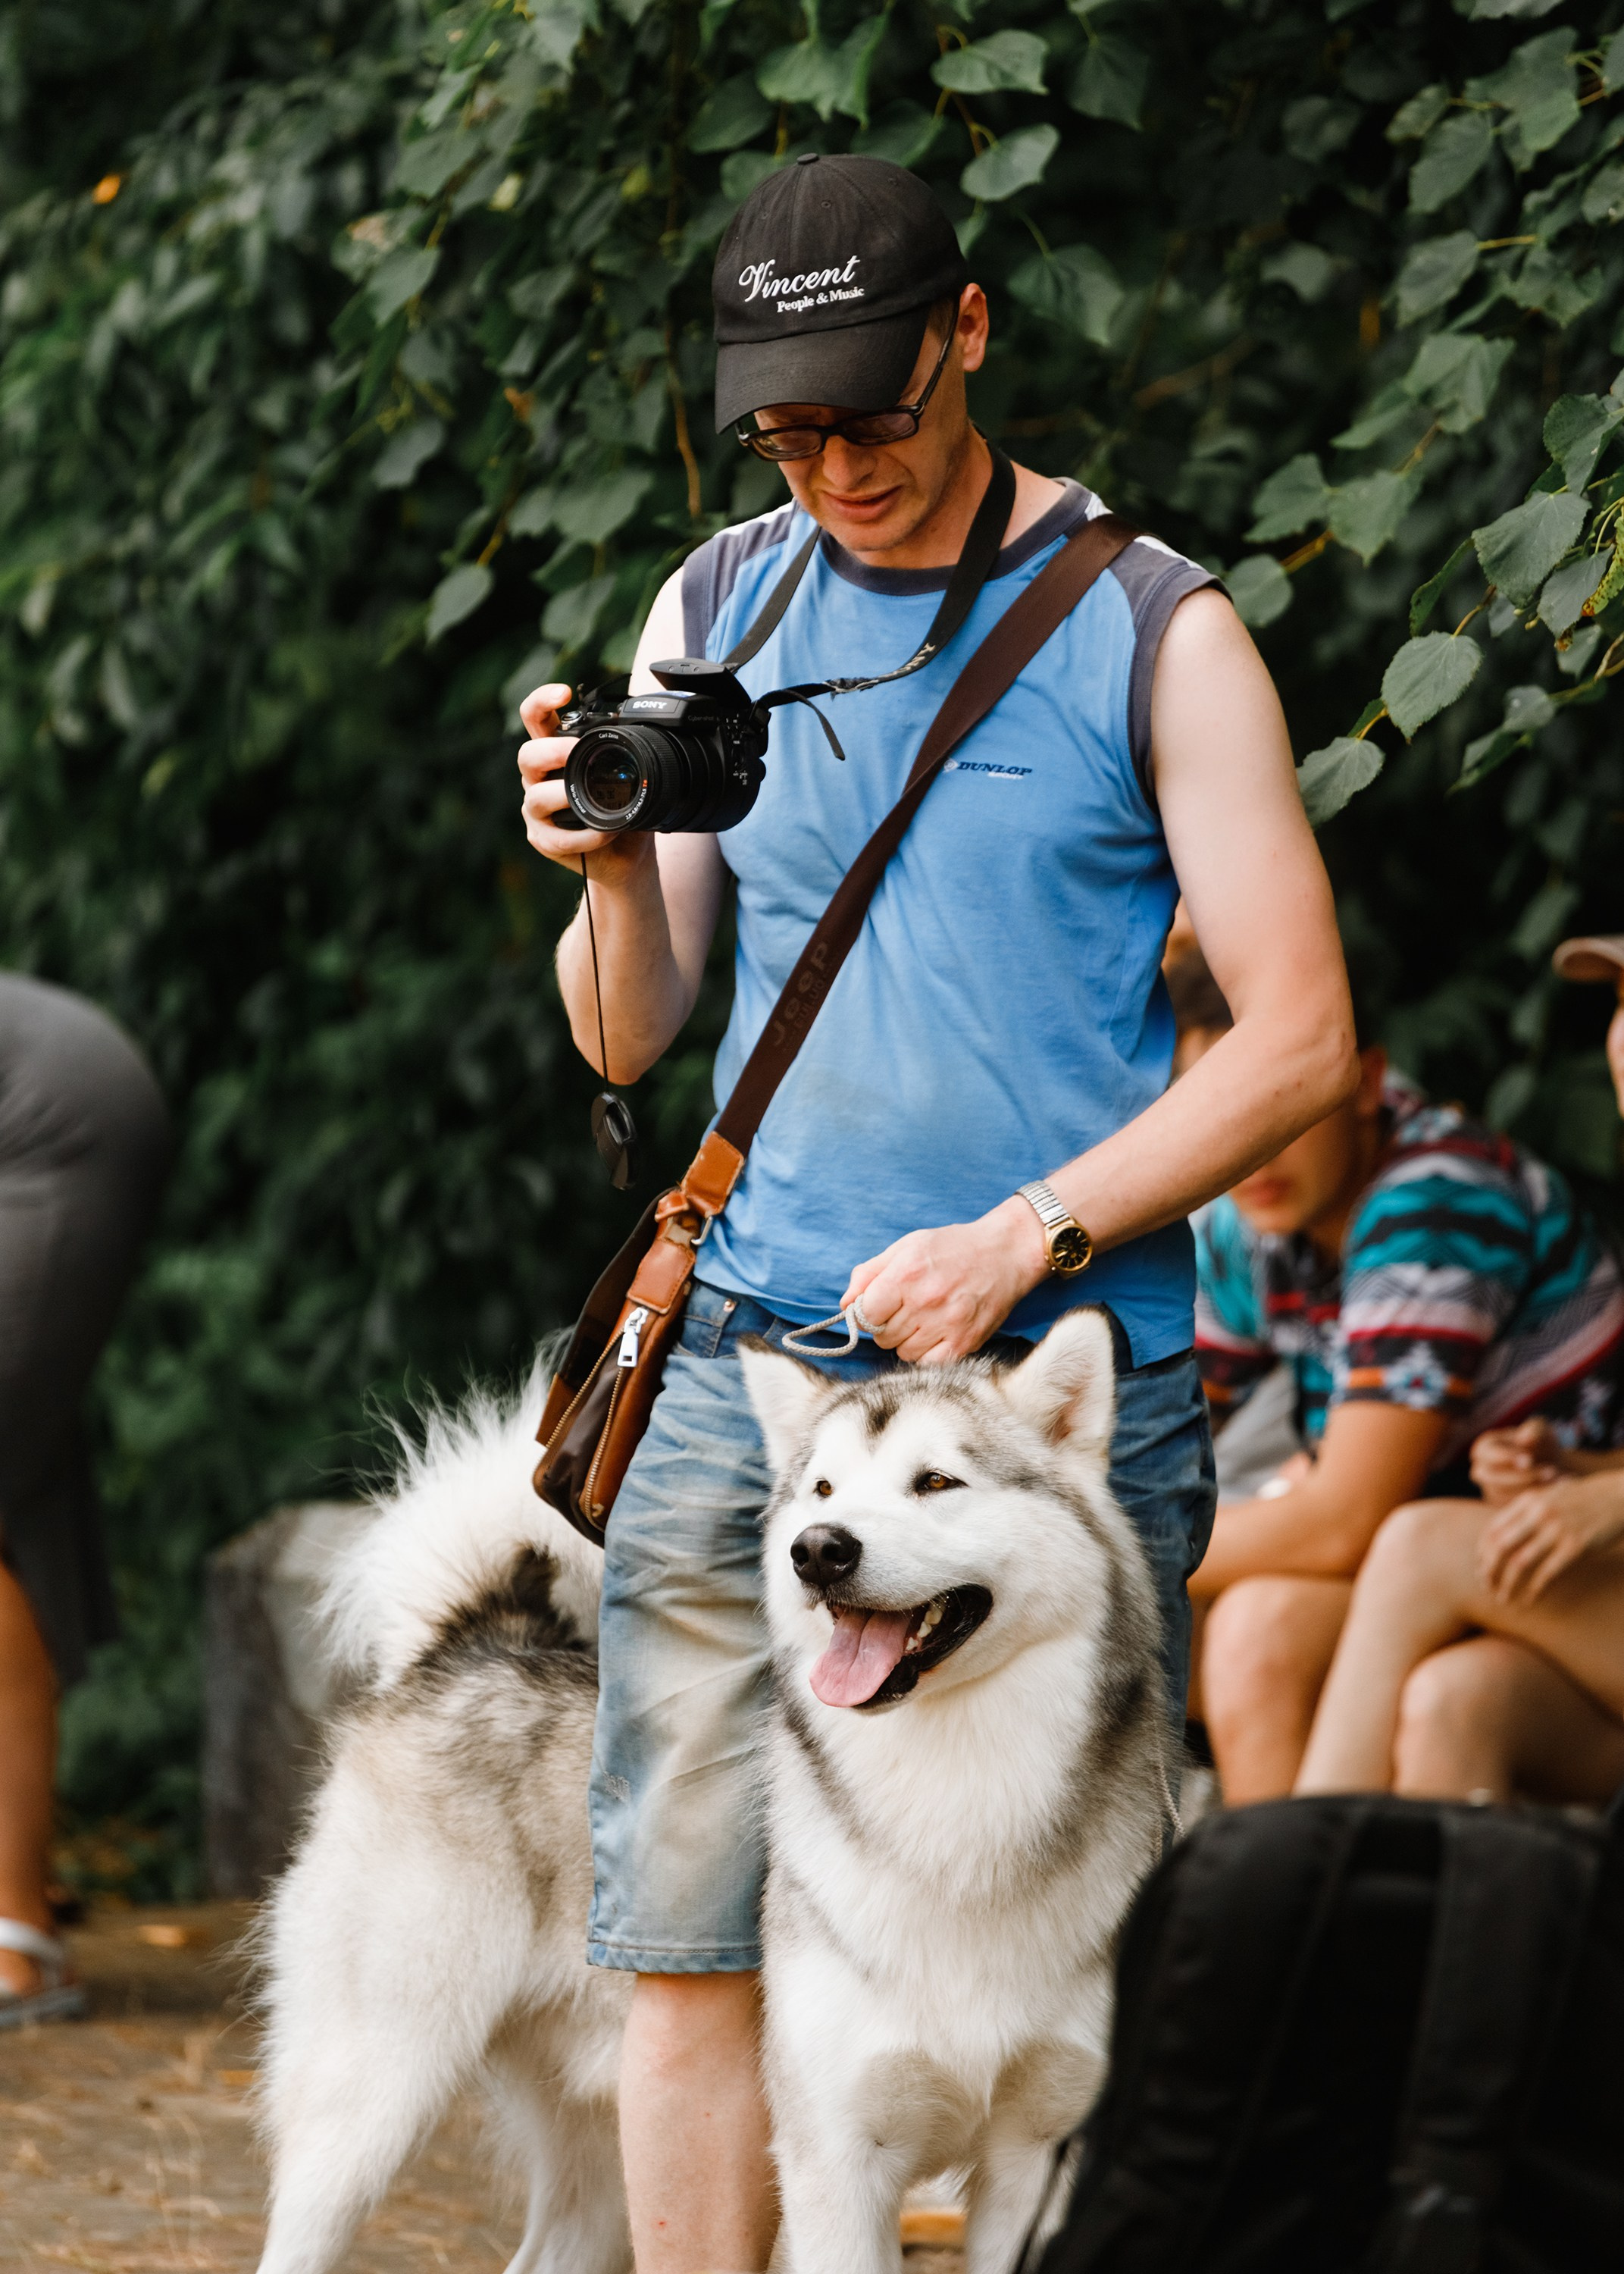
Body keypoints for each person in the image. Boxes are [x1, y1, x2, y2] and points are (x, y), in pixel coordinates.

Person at [517, 154, 1354, 2272]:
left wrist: (1023, 1237)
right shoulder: (716, 606)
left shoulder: (1152, 629)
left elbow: (1297, 1039)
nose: (836, 471)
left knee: (1072, 1976)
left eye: (871, 414)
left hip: (1052, 1409)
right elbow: (626, 1034)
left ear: (967, 331)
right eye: (786, 433)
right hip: (752, 1381)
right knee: (686, 1937)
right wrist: (603, 873)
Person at [1191, 985, 1624, 1805]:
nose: (1254, 1142)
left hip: (1540, 1573)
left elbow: (1344, 1522)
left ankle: (1278, 1872)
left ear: (1362, 1082)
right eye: (1218, 1107)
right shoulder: (1252, 1218)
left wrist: (1118, 1549)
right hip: (1517, 1562)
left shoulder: (1439, 1199)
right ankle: (1282, 1882)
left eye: (1282, 1100)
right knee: (1251, 1632)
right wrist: (1575, 1471)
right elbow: (1147, 1442)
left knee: (1412, 1561)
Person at [0, 975, 171, 2025]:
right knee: (17, 1491)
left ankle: (14, 1935)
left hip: (47, 1118)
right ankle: (19, 1901)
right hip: (48, 1095)